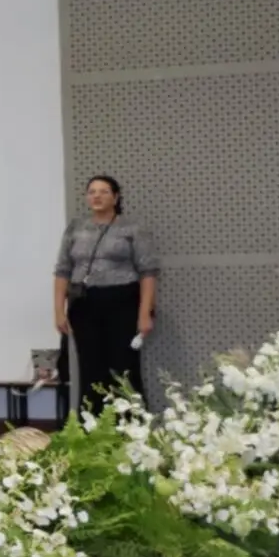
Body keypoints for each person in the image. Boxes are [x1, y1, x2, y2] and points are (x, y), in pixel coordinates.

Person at [54, 175, 158, 411]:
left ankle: (132, 424)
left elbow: (148, 272)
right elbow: (62, 270)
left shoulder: (132, 227)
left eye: (103, 192)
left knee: (124, 367)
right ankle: (92, 423)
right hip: (84, 304)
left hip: (122, 302)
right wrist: (59, 311)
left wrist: (145, 313)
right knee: (90, 367)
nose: (97, 196)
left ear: (116, 197)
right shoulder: (75, 227)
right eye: (92, 192)